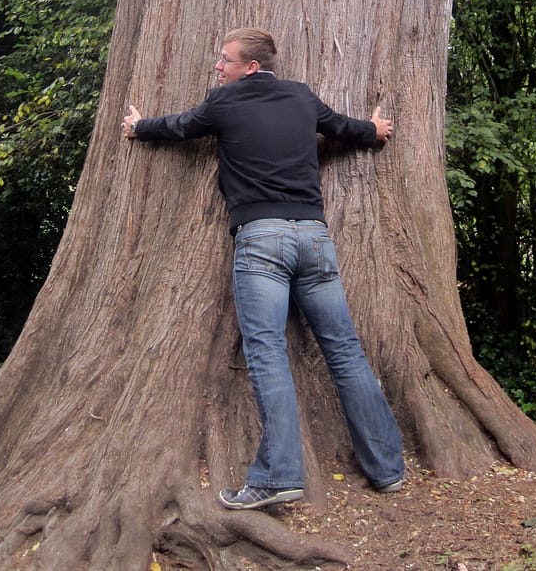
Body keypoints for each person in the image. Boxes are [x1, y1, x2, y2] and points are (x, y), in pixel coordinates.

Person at [121, 27, 405, 510]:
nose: (218, 66)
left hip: (262, 240)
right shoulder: (300, 97)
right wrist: (375, 131)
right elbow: (342, 127)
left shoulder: (224, 103)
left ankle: (278, 477)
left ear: (250, 67)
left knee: (268, 352)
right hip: (314, 239)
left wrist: (138, 126)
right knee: (344, 351)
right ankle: (387, 468)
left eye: (225, 60)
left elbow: (179, 127)